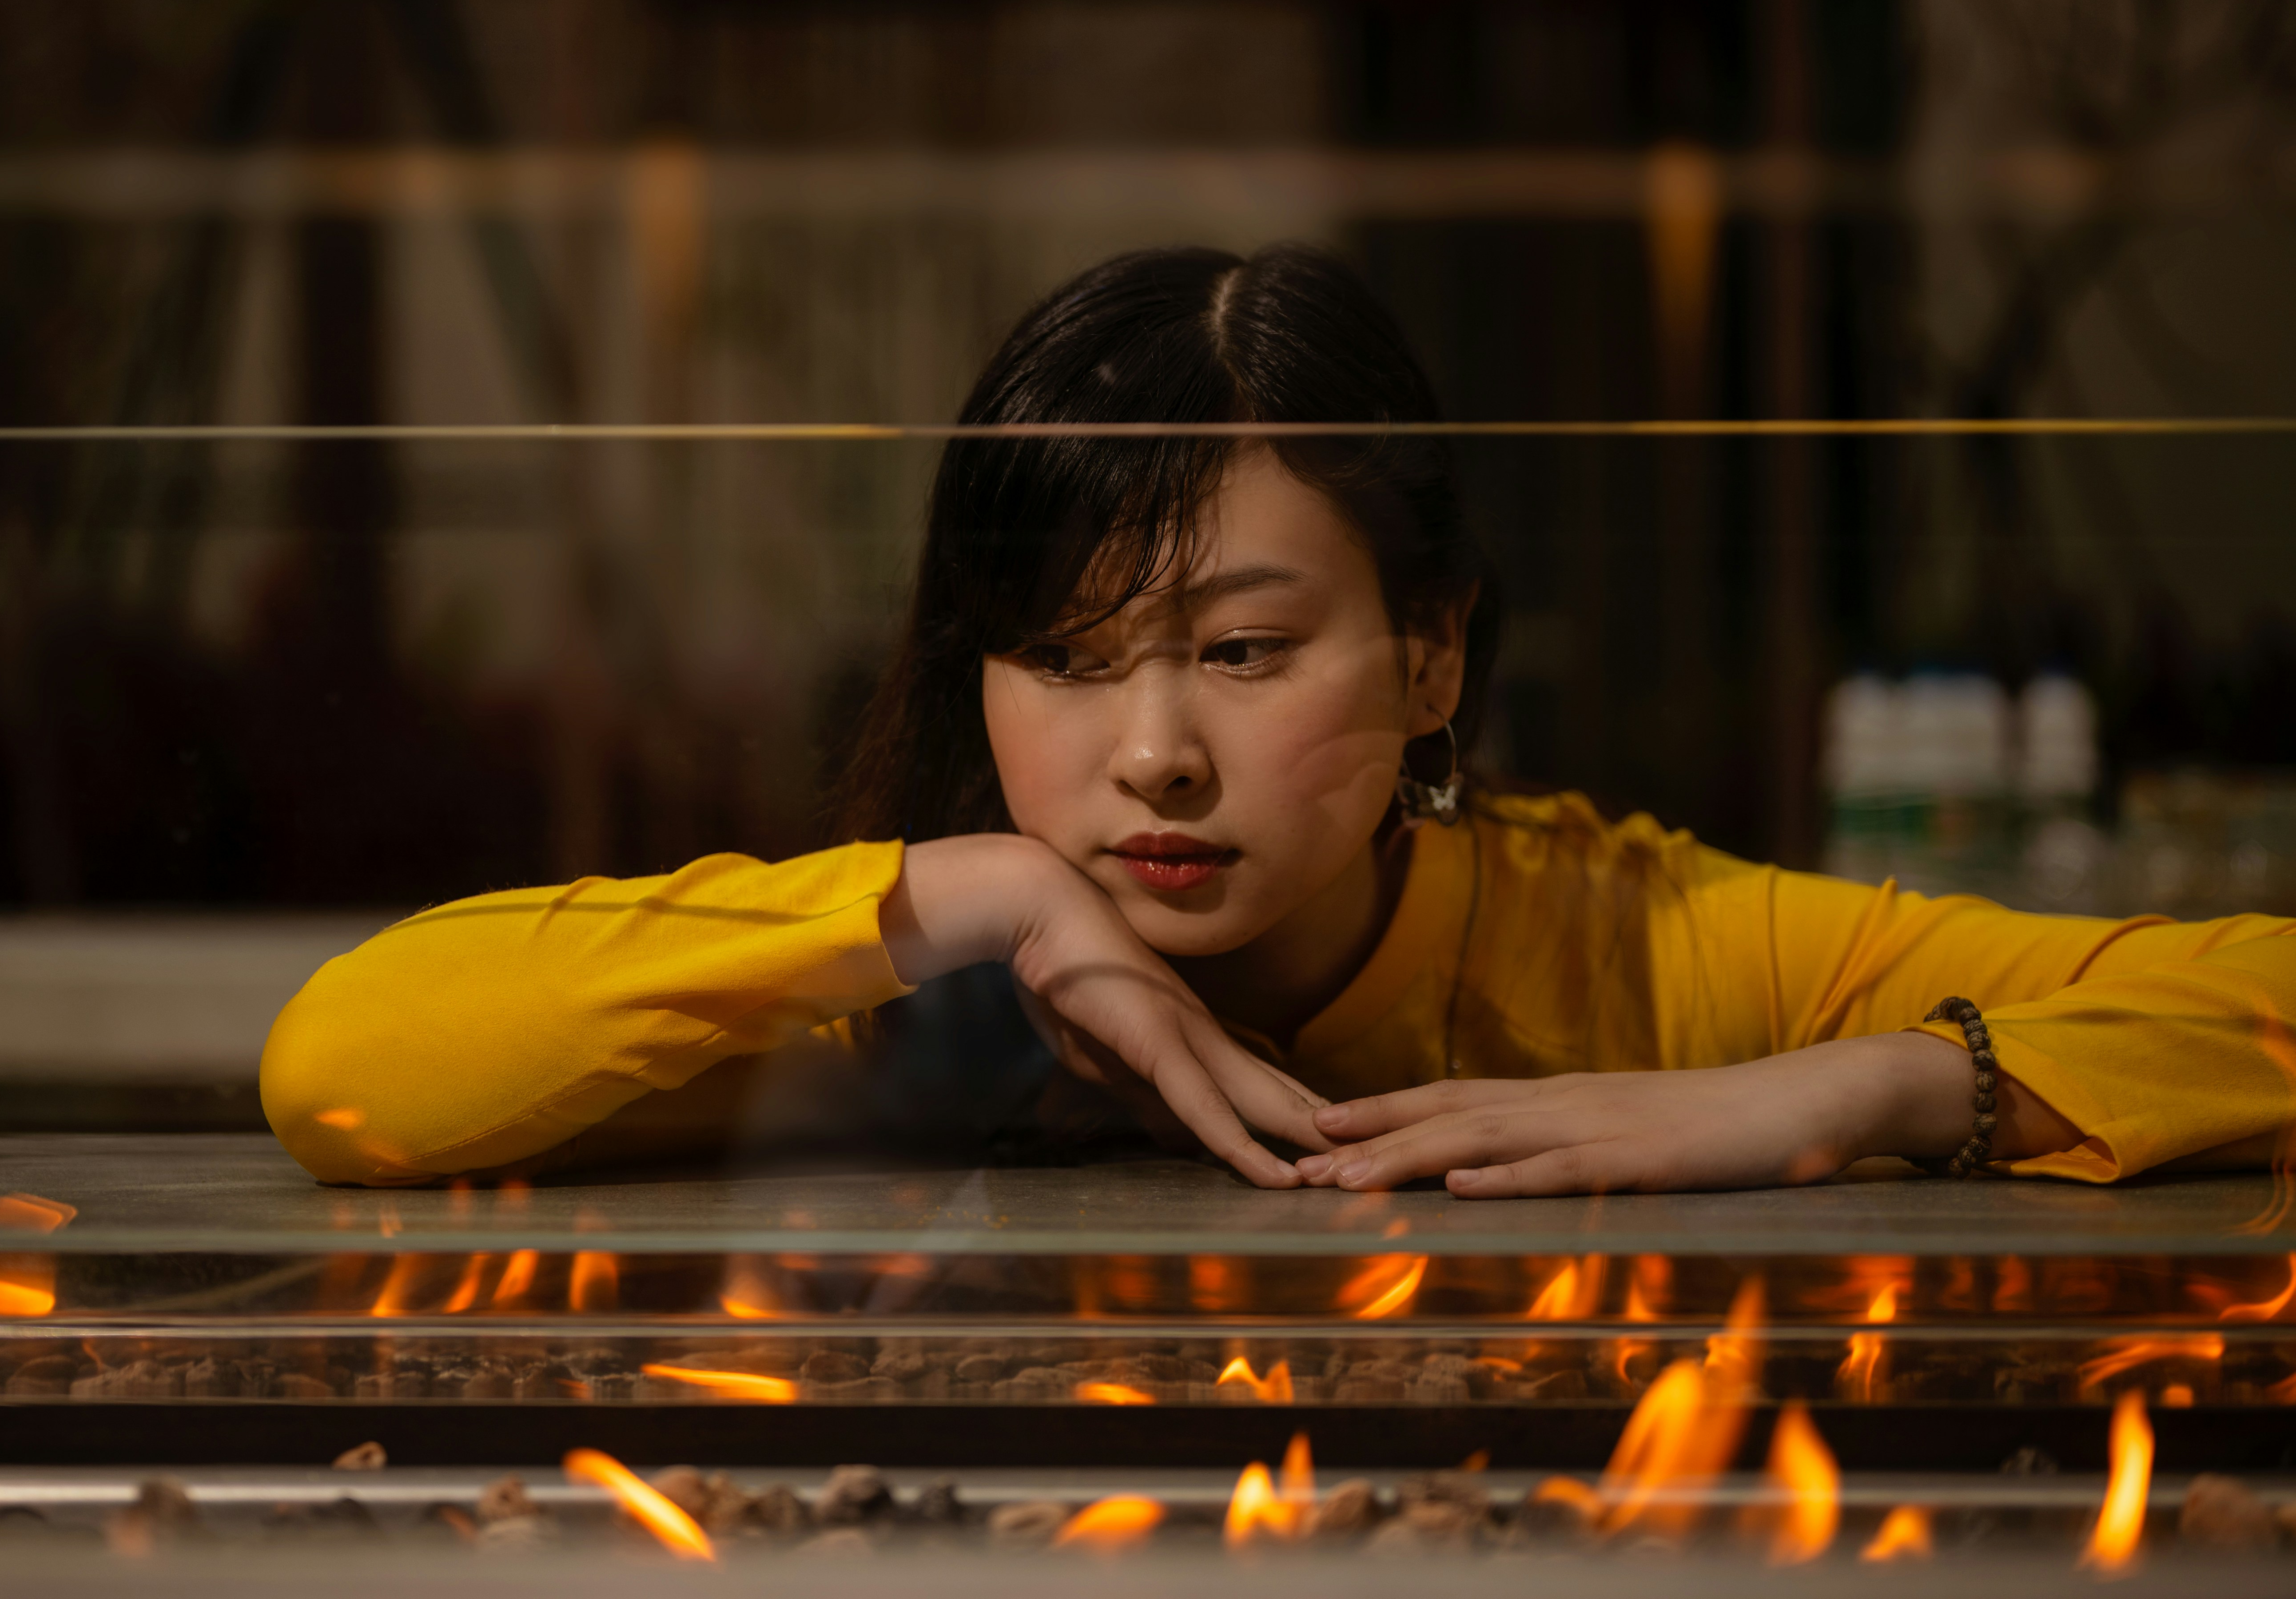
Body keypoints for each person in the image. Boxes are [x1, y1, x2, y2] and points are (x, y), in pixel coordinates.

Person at [260, 245, 2296, 1193]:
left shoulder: (1639, 942)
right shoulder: (912, 973)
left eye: (1241, 651)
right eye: (1064, 655)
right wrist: (976, 895)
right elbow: (340, 1069)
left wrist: (1835, 1090)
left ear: (1430, 659)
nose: (1150, 751)